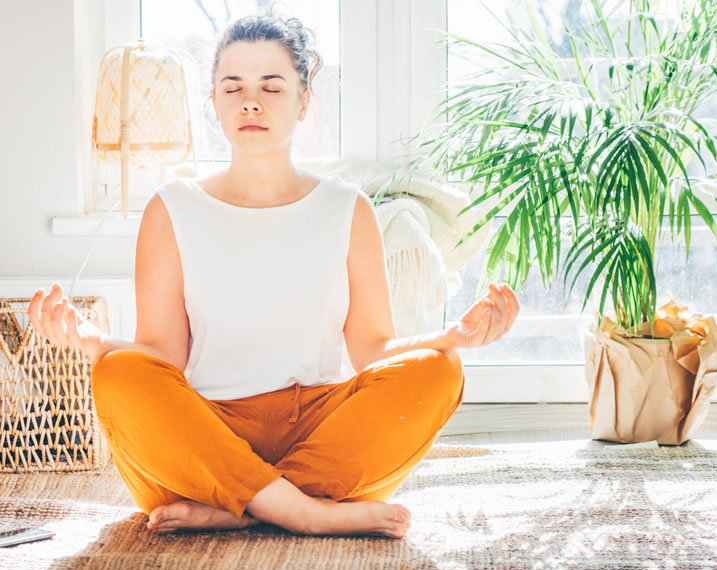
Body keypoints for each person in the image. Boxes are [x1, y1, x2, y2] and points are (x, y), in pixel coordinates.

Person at [29, 9, 519, 539]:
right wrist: (93, 341)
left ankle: (241, 507)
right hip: (207, 434)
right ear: (213, 102)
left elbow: (372, 352)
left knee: (440, 371)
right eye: (232, 86)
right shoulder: (172, 208)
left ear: (304, 101)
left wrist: (452, 337)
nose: (251, 101)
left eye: (272, 86)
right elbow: (164, 357)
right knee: (117, 375)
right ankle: (305, 510)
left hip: (320, 429)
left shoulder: (347, 208)